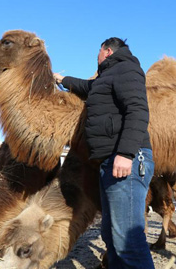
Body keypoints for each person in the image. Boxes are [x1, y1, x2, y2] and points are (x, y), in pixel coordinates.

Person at [54, 37, 155, 269]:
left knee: (128, 241)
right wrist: (62, 80)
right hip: (109, 161)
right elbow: (88, 88)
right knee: (112, 237)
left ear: (107, 51)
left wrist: (126, 154)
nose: (96, 57)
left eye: (98, 52)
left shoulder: (127, 69)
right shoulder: (107, 77)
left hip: (126, 160)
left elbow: (138, 110)